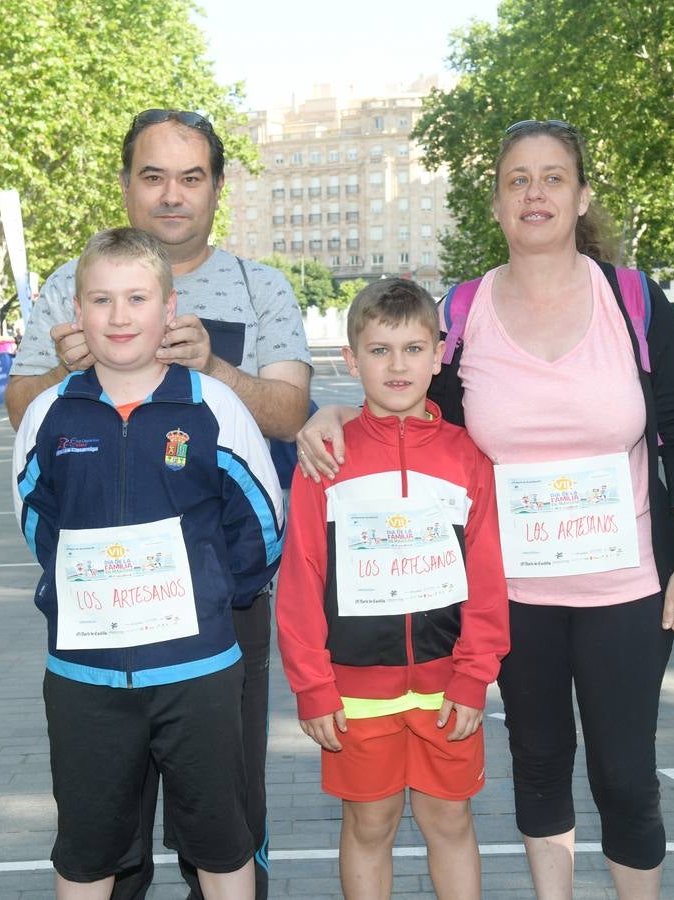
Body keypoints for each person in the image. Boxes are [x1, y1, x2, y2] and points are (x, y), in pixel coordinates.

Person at [296, 120, 674, 900]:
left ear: (582, 196)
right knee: (541, 764)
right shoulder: (462, 312)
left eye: (553, 177)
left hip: (627, 586)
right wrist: (331, 416)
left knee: (625, 775)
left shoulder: (632, 299)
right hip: (512, 594)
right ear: (496, 201)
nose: (536, 193)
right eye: (517, 179)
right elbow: (419, 413)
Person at [4, 109, 312, 900]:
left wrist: (214, 366)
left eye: (191, 177)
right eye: (153, 176)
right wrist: (70, 375)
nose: (172, 195)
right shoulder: (71, 284)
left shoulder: (260, 286)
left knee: (224, 817)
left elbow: (286, 417)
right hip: (97, 622)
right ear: (126, 184)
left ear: (216, 186)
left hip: (215, 608)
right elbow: (26, 421)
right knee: (107, 824)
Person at [276, 279, 509, 900]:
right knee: (368, 823)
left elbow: (487, 580)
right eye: (379, 351)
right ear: (352, 360)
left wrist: (473, 675)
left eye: (413, 349)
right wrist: (312, 685)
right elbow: (300, 576)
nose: (397, 365)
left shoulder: (468, 459)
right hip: (353, 689)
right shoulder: (326, 458)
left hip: (445, 687)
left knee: (449, 820)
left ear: (439, 356)